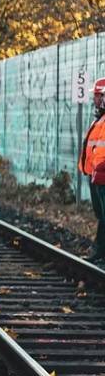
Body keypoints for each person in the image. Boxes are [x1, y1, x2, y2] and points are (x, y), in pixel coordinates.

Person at [80, 77, 105, 263]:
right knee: (101, 215)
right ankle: (99, 250)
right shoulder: (100, 119)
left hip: (102, 175)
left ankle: (99, 251)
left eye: (98, 95)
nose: (94, 99)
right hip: (96, 175)